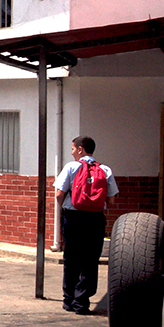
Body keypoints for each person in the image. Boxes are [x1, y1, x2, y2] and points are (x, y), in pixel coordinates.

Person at [54, 135, 118, 315]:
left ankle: (69, 300)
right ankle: (82, 302)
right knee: (90, 260)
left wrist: (67, 207)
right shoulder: (105, 170)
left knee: (71, 258)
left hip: (73, 218)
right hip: (95, 219)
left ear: (81, 149)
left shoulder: (71, 167)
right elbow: (112, 200)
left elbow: (59, 194)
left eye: (73, 149)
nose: (72, 152)